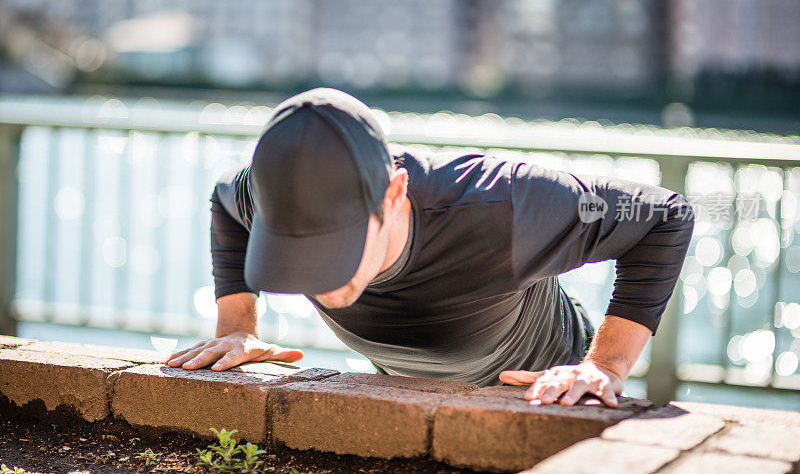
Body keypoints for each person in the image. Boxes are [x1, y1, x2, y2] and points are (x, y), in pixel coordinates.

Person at [162, 88, 695, 408]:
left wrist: (606, 365)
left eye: (334, 250)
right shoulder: (265, 193)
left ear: (394, 194)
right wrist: (236, 326)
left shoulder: (500, 203)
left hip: (550, 387)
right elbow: (225, 203)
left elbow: (664, 216)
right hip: (416, 388)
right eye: (299, 254)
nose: (319, 280)